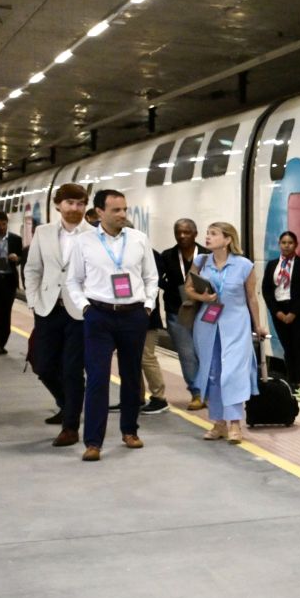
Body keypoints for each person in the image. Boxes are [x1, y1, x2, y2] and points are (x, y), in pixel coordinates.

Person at [64, 188, 158, 462]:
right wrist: (85, 308)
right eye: (116, 210)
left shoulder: (139, 239)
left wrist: (148, 305)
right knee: (97, 378)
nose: (122, 215)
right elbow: (73, 280)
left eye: (125, 209)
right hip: (99, 316)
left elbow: (151, 277)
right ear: (99, 213)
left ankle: (130, 430)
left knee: (131, 376)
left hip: (133, 315)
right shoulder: (84, 242)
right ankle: (93, 442)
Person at [188, 221, 266, 444]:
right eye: (208, 233)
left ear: (228, 239)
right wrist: (204, 298)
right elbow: (189, 288)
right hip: (208, 324)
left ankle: (234, 424)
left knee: (232, 373)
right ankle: (218, 423)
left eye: (214, 234)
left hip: (236, 324)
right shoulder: (201, 261)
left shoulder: (244, 265)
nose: (208, 237)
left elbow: (251, 297)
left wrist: (257, 324)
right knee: (212, 372)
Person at [25, 183, 90, 443]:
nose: (75, 208)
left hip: (80, 312)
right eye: (70, 203)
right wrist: (33, 301)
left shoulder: (94, 235)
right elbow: (32, 270)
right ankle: (66, 403)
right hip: (48, 309)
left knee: (73, 369)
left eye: (80, 203)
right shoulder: (43, 232)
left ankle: (71, 426)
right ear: (58, 205)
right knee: (42, 365)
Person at [157, 219, 204, 409]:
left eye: (186, 232)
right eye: (178, 232)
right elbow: (157, 279)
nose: (182, 236)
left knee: (206, 353)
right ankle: (196, 392)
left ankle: (210, 391)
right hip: (177, 311)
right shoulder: (167, 256)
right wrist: (174, 288)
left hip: (203, 311)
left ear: (195, 233)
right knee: (187, 354)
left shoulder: (206, 255)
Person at [128, 218, 169, 415]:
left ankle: (159, 397)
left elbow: (152, 284)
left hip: (145, 316)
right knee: (129, 358)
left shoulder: (150, 255)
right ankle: (135, 396)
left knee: (146, 357)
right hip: (125, 316)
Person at [263, 230, 300, 392]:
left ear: (296, 245)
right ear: (279, 245)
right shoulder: (272, 265)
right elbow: (266, 290)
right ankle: (290, 381)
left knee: (299, 346)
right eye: (283, 243)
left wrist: (294, 313)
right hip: (279, 311)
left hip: (298, 312)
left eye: (290, 243)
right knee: (287, 347)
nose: (286, 246)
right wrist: (277, 312)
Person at [0, 210, 22, 355]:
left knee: (5, 313)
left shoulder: (15, 239)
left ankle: (1, 342)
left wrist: (17, 258)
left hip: (8, 281)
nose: (1, 227)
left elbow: (22, 257)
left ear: (7, 223)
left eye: (3, 224)